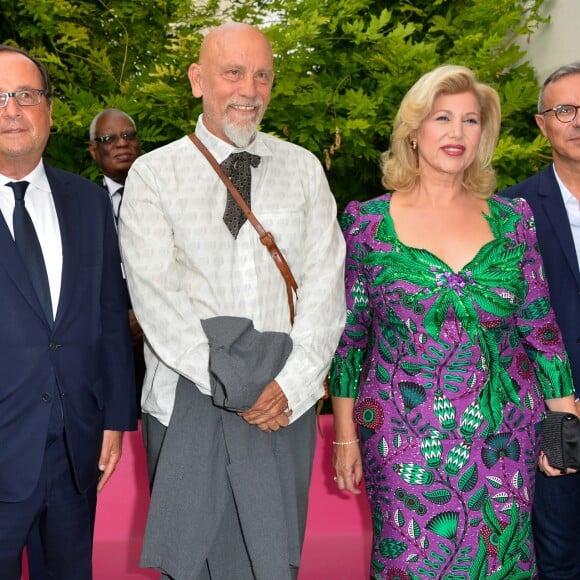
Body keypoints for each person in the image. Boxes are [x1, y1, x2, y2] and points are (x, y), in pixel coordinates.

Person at [329, 64, 577, 579]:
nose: (457, 132)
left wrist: (567, 423)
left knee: (502, 563)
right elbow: (350, 340)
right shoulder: (368, 223)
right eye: (443, 118)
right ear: (413, 132)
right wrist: (346, 435)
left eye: (470, 120)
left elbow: (541, 330)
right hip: (403, 441)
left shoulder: (513, 219)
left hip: (506, 436)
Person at [118, 22, 345, 580]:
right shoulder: (152, 175)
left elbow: (325, 290)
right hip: (186, 403)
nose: (249, 89)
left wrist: (291, 387)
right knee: (190, 565)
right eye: (233, 72)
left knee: (272, 561)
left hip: (280, 410)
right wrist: (233, 381)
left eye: (262, 74)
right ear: (198, 80)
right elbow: (157, 303)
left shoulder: (305, 170)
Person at [0, 45, 136, 579]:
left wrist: (115, 417)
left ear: (50, 113)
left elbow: (108, 315)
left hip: (74, 451)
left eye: (26, 95)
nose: (11, 109)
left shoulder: (87, 202)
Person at [502, 62, 580, 579]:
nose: (578, 120)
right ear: (542, 124)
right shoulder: (512, 209)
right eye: (565, 110)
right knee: (559, 558)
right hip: (557, 420)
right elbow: (507, 330)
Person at [89, 108, 145, 414]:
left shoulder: (163, 198)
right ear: (94, 151)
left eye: (128, 136)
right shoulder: (81, 205)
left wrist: (144, 316)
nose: (121, 144)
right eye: (109, 138)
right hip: (105, 340)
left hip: (159, 337)